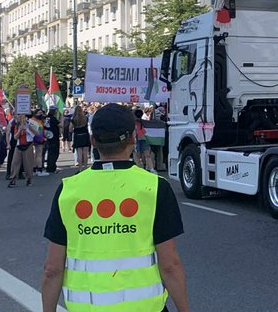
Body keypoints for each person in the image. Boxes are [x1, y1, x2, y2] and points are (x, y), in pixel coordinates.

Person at [41, 104, 189, 312]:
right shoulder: (155, 187)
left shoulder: (69, 190)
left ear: (92, 141)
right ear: (133, 138)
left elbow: (52, 269)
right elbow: (170, 265)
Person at [8, 112, 36, 187]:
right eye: (19, 115)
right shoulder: (17, 125)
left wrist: (28, 129)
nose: (20, 117)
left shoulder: (31, 123)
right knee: (15, 162)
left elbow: (36, 133)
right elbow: (15, 137)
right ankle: (13, 179)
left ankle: (29, 178)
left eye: (22, 115)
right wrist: (20, 130)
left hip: (28, 145)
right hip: (19, 145)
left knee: (28, 163)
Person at [70, 106, 91, 171]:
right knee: (85, 153)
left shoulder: (73, 119)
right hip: (85, 135)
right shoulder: (85, 118)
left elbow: (70, 129)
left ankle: (80, 168)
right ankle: (85, 167)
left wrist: (75, 128)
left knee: (79, 153)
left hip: (77, 136)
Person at [44, 107, 61, 174]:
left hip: (49, 136)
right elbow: (60, 125)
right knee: (54, 153)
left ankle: (50, 166)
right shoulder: (53, 118)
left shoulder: (47, 118)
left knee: (50, 152)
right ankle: (52, 167)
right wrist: (61, 118)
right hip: (54, 137)